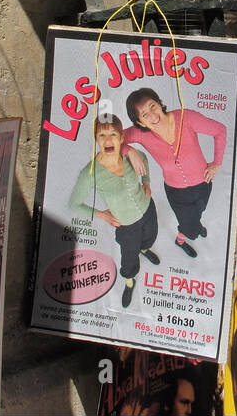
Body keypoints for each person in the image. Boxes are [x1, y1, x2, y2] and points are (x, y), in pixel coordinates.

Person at [68, 116, 160, 308]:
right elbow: (74, 204)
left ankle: (144, 249)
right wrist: (103, 215)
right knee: (128, 258)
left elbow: (143, 159)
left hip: (147, 207)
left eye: (113, 134)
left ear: (121, 138)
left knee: (151, 236)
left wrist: (146, 182)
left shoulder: (129, 155)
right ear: (96, 138)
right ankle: (129, 281)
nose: (108, 140)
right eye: (102, 135)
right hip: (126, 224)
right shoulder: (90, 174)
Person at [122, 89, 226, 259]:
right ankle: (181, 240)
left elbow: (219, 130)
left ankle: (194, 224)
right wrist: (130, 151)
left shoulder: (186, 117)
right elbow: (112, 138)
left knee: (200, 210)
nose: (152, 115)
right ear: (140, 122)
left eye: (152, 106)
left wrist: (216, 164)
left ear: (159, 103)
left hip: (204, 181)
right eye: (144, 114)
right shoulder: (140, 133)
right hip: (176, 191)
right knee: (189, 225)